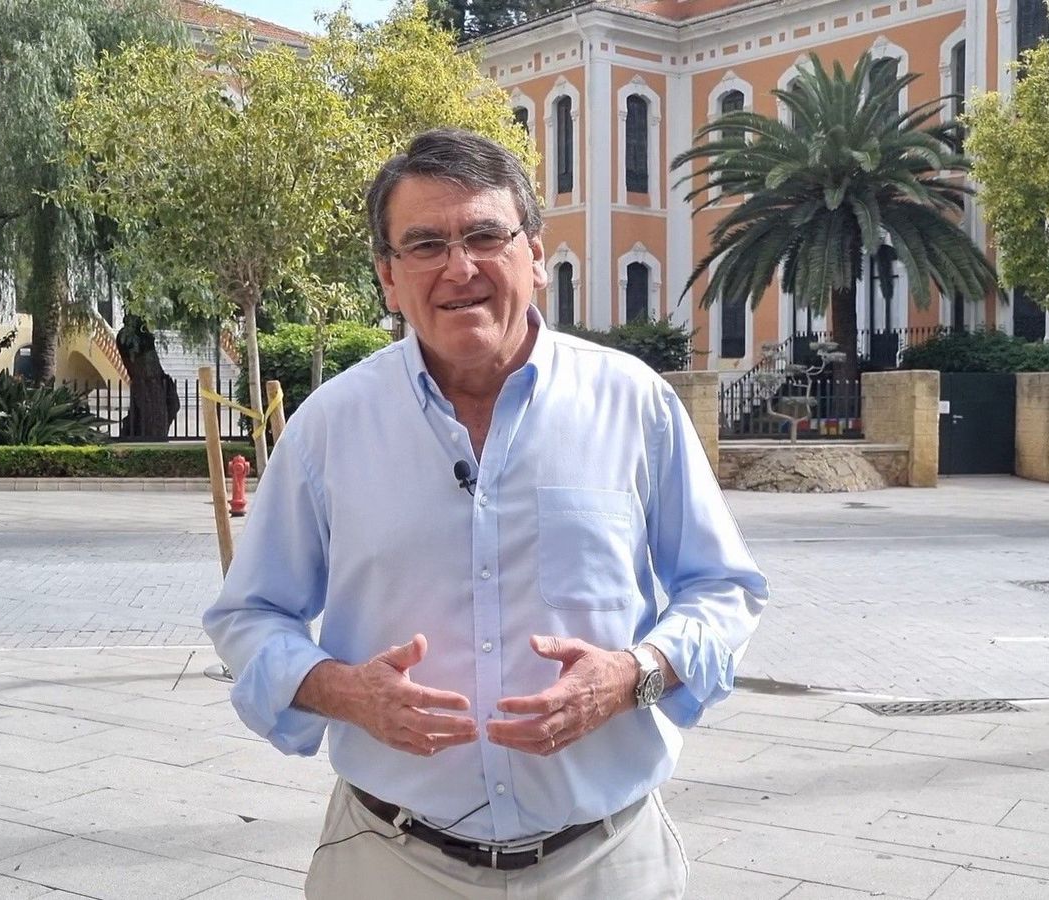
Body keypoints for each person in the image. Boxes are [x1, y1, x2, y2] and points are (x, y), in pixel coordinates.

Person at [202, 128, 768, 899]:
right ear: (388, 278)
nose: (458, 268)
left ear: (535, 257)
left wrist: (630, 676)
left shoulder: (634, 405)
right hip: (388, 858)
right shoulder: (329, 426)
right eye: (424, 244)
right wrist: (345, 692)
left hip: (607, 861)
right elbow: (249, 616)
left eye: (484, 236)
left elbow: (724, 590)